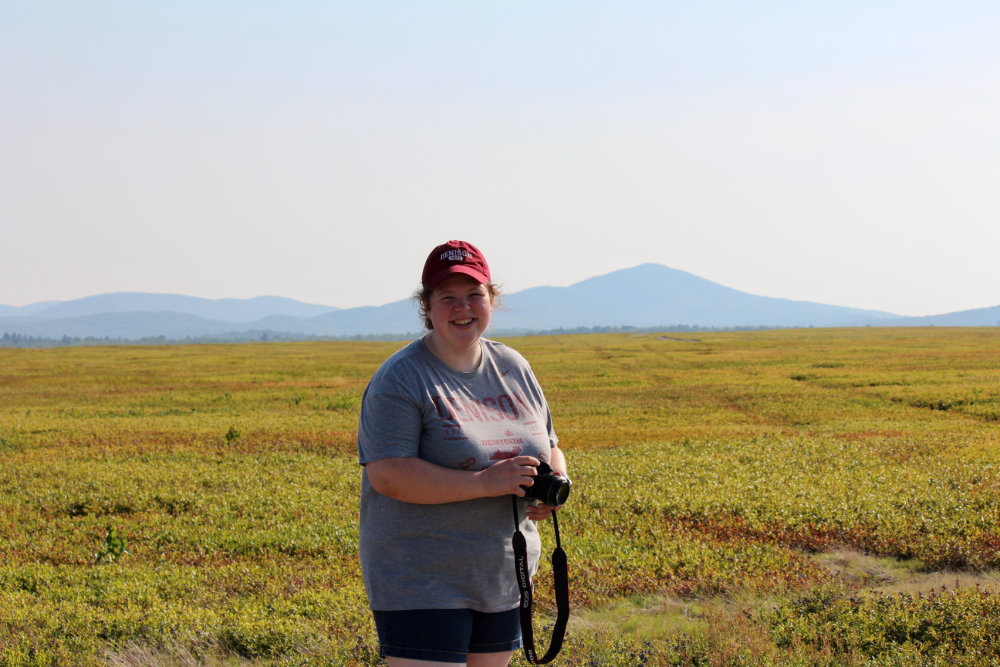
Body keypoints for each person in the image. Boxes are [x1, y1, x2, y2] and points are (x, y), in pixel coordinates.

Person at [357, 240, 568, 667]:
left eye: (474, 294)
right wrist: (486, 482)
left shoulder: (513, 366)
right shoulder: (402, 377)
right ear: (427, 306)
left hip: (504, 576)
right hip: (422, 580)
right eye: (447, 298)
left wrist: (553, 483)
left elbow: (550, 445)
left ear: (492, 299)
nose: (462, 307)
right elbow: (388, 474)